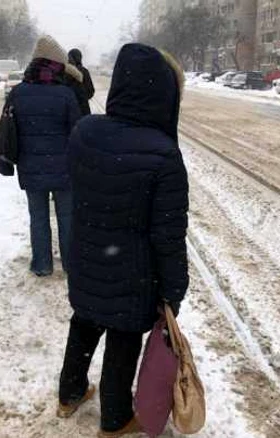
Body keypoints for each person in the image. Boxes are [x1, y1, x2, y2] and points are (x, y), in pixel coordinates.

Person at [57, 44, 189, 438]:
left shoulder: (85, 132)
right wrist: (174, 289)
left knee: (84, 322)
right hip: (133, 273)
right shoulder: (164, 155)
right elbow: (168, 234)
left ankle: (70, 392)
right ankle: (114, 420)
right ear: (166, 94)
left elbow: (78, 191)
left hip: (85, 259)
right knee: (123, 338)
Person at [0, 35, 81, 276]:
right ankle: (69, 264)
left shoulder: (18, 93)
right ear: (56, 66)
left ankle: (42, 264)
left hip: (30, 167)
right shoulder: (65, 94)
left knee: (38, 217)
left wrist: (7, 162)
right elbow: (77, 132)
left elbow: (8, 130)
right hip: (64, 169)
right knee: (67, 217)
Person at [67, 48, 95, 115]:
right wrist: (83, 98)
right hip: (83, 109)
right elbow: (91, 91)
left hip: (68, 108)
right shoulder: (85, 71)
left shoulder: (66, 71)